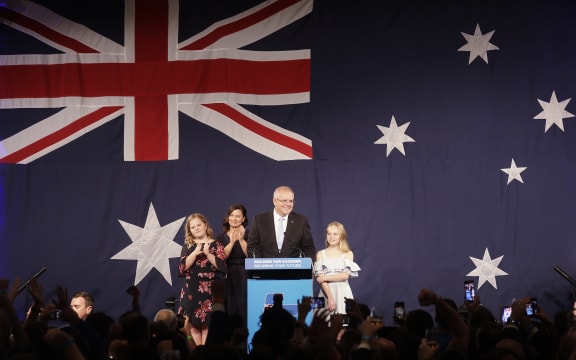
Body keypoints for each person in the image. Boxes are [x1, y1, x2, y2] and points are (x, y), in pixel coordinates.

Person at [177, 213, 228, 346]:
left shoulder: (217, 244)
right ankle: (196, 353)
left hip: (210, 289)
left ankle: (205, 353)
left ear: (205, 225)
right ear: (190, 231)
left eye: (198, 225)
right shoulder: (188, 246)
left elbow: (222, 267)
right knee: (193, 325)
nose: (196, 228)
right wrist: (194, 253)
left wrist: (208, 254)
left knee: (207, 325)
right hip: (191, 291)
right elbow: (182, 268)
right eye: (193, 227)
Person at [247, 185, 316, 258]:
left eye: (291, 201)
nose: (288, 204)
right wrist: (260, 265)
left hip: (294, 268)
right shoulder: (260, 220)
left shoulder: (301, 221)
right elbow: (252, 247)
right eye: (284, 201)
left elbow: (309, 248)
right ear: (274, 201)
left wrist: (306, 266)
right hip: (265, 268)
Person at [313, 221, 360, 315]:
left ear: (341, 236)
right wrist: (330, 297)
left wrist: (324, 278)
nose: (331, 237)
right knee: (322, 324)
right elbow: (321, 279)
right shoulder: (320, 254)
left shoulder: (348, 253)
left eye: (335, 234)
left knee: (343, 325)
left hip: (343, 293)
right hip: (325, 293)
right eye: (329, 233)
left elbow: (345, 276)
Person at [215, 204, 249, 323]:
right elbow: (221, 257)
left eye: (238, 216)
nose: (234, 219)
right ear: (228, 217)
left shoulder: (249, 234)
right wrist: (232, 241)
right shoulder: (220, 237)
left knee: (244, 305)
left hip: (245, 273)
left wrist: (241, 239)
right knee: (229, 306)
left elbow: (250, 255)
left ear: (243, 219)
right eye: (232, 215)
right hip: (227, 274)